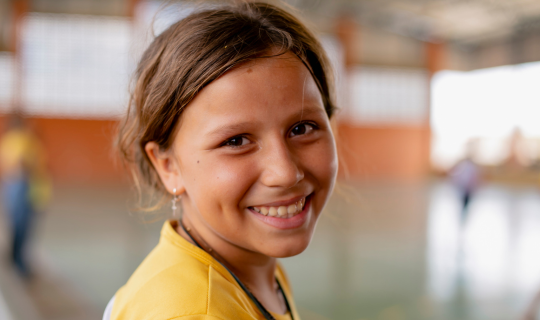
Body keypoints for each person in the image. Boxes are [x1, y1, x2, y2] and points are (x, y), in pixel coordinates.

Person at [107, 2, 338, 320]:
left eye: (302, 128)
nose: (285, 173)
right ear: (168, 166)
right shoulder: (193, 312)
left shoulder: (253, 269)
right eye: (236, 141)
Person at [0, 112, 50, 277]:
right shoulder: (20, 139)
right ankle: (17, 261)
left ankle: (15, 258)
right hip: (22, 186)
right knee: (21, 226)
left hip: (19, 186)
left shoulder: (12, 139)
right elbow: (21, 164)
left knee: (20, 225)